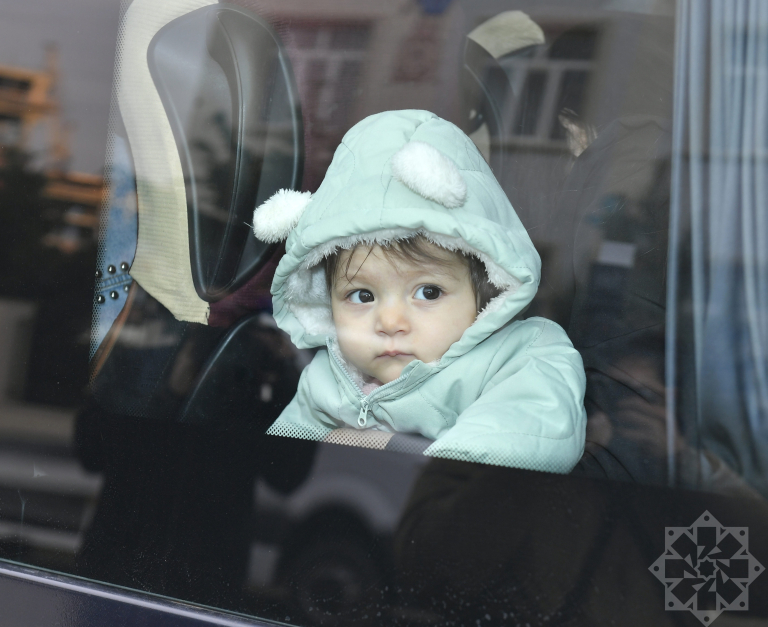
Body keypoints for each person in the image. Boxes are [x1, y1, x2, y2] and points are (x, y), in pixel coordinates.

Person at [250, 109, 586, 474]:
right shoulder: (326, 377)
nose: (390, 322)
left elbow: (525, 435)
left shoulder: (519, 357)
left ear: (486, 289)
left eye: (428, 292)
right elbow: (278, 468)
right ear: (326, 299)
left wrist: (390, 452)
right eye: (362, 296)